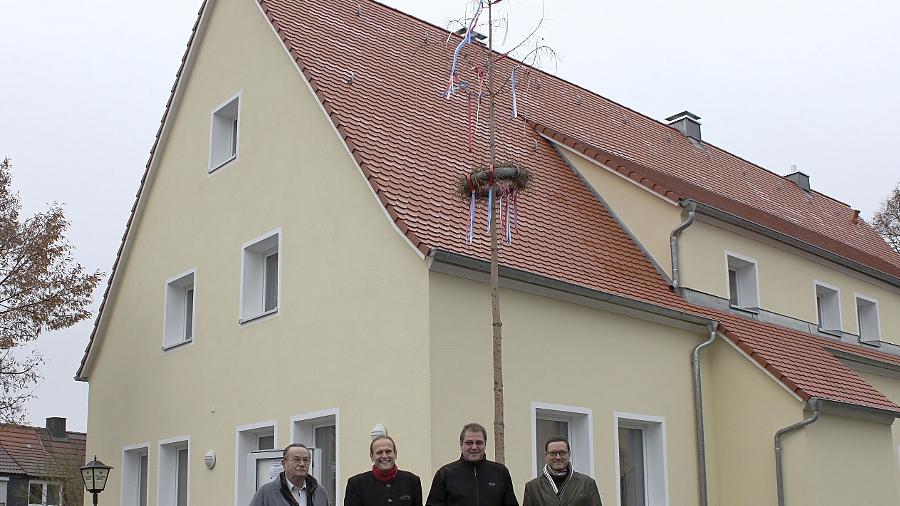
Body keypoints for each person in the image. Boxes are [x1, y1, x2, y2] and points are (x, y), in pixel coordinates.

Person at [426, 422, 518, 506]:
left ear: (485, 444)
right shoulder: (445, 474)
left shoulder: (500, 473)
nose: (474, 447)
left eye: (479, 443)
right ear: (461, 445)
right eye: (469, 443)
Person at [344, 435, 423, 506]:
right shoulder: (356, 484)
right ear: (372, 456)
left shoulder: (412, 481)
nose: (384, 456)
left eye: (388, 451)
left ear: (395, 454)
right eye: (379, 452)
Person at [523, 437, 602, 506]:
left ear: (569, 454)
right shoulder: (532, 487)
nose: (558, 457)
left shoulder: (587, 484)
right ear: (546, 456)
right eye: (553, 453)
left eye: (562, 453)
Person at [250, 443, 331, 506]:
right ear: (284, 463)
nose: (302, 464)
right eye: (296, 459)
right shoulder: (266, 493)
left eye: (306, 460)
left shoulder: (320, 492)